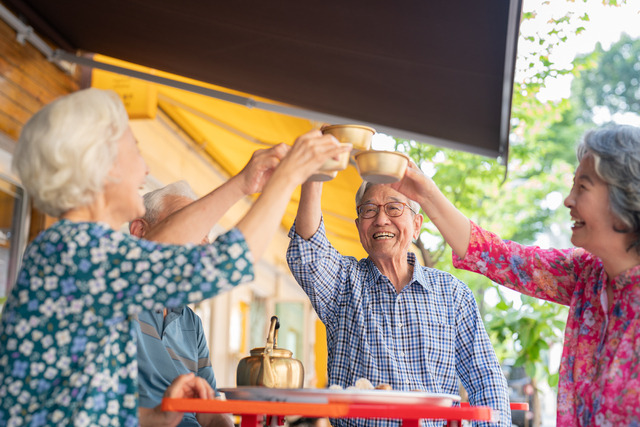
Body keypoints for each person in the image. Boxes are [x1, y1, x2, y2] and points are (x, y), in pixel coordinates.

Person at [0, 88, 350, 426]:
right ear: (104, 165)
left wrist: (157, 416)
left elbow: (78, 404)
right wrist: (289, 176)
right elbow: (226, 262)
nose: (145, 166)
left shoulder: (71, 249)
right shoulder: (82, 253)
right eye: (135, 150)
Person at [389, 124, 640, 426]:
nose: (568, 200)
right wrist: (425, 193)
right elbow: (497, 256)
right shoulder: (587, 274)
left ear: (624, 195)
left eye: (582, 187)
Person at [286, 180, 511, 427]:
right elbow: (308, 251)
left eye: (394, 208)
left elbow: (485, 380)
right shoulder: (343, 283)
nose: (381, 219)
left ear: (416, 226)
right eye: (369, 210)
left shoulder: (453, 294)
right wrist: (316, 174)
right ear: (359, 226)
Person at [129, 181, 231, 427]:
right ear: (140, 231)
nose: (201, 242)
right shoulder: (118, 298)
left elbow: (209, 409)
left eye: (204, 231)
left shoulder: (191, 322)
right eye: (186, 225)